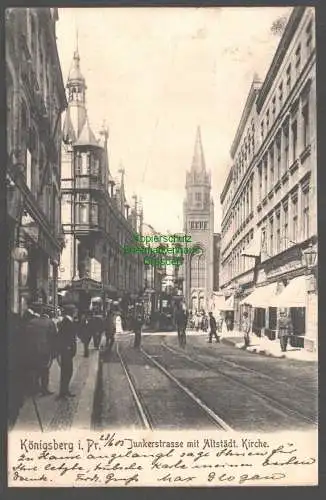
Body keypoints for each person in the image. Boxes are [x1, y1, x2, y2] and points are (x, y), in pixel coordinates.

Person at [23, 305, 57, 396]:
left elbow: (26, 336)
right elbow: (54, 338)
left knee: (35, 369)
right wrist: (54, 352)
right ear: (49, 314)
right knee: (45, 370)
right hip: (45, 350)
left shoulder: (31, 322)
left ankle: (34, 389)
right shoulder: (50, 323)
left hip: (32, 350)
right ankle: (44, 389)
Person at [56, 304, 78, 398]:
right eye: (74, 310)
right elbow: (63, 337)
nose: (76, 312)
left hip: (67, 350)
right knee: (67, 371)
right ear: (71, 311)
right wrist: (67, 348)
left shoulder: (68, 321)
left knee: (67, 371)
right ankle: (63, 392)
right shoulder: (66, 322)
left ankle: (65, 390)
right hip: (66, 350)